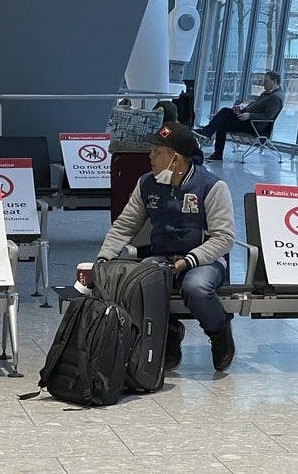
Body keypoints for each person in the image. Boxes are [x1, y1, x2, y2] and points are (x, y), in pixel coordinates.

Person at [96, 122, 236, 372]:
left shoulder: (212, 187)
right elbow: (125, 225)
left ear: (175, 158)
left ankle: (219, 331)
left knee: (196, 287)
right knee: (141, 284)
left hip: (204, 259)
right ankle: (169, 334)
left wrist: (189, 260)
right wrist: (103, 258)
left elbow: (223, 238)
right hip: (162, 256)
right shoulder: (146, 184)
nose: (150, 156)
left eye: (157, 151)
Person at [194, 71, 283, 161]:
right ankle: (215, 150)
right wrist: (243, 109)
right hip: (248, 120)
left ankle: (208, 133)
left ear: (274, 81)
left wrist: (249, 115)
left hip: (255, 125)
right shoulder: (267, 94)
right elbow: (256, 107)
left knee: (224, 113)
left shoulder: (275, 98)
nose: (263, 83)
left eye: (266, 81)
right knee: (223, 120)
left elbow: (268, 116)